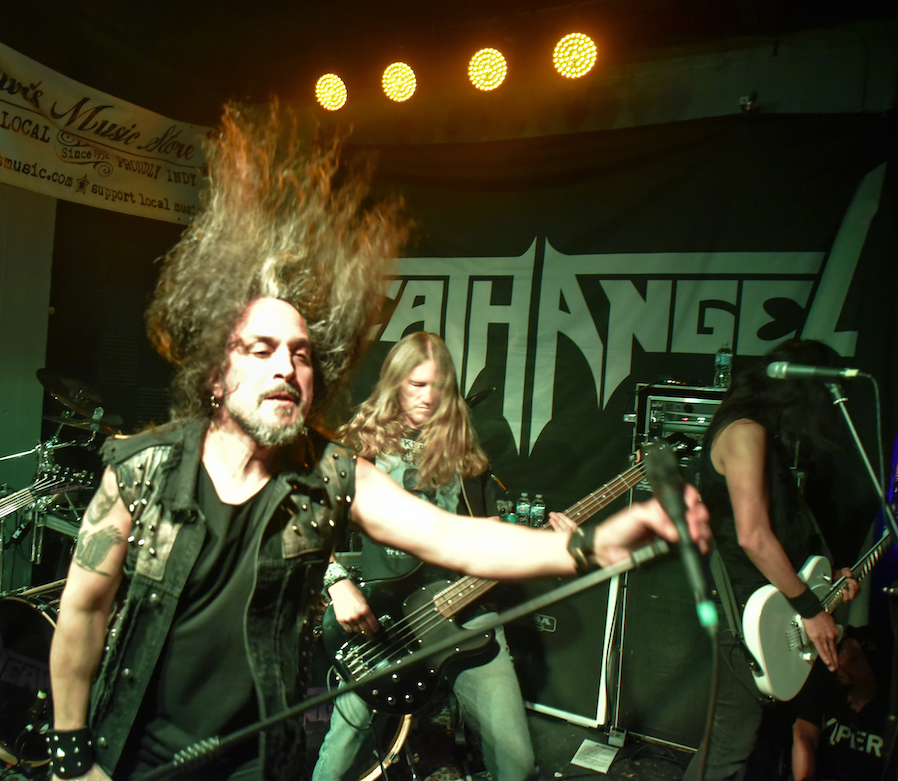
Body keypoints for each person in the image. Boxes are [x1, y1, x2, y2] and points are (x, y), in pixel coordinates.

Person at [46, 102, 711, 781]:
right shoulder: (142, 470)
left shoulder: (328, 474)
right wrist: (71, 756)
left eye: (302, 353)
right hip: (133, 752)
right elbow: (83, 610)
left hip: (262, 759)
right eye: (263, 348)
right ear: (215, 373)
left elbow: (455, 538)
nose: (287, 367)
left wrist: (589, 545)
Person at [313, 331, 534, 781]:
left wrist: (547, 542)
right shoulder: (360, 446)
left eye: (438, 386)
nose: (428, 397)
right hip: (385, 622)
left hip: (465, 612)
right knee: (339, 760)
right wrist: (337, 583)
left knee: (519, 765)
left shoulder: (465, 455)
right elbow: (310, 527)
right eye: (417, 385)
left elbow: (488, 539)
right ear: (395, 383)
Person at [683, 338, 860, 781]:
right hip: (745, 610)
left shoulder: (760, 431)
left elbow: (781, 533)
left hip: (765, 604)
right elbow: (754, 537)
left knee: (750, 742)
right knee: (729, 746)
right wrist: (812, 609)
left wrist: (826, 585)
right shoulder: (745, 432)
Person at [792, 626, 892, 781]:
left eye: (856, 659)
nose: (843, 662)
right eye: (843, 650)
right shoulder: (827, 689)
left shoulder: (888, 713)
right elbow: (804, 733)